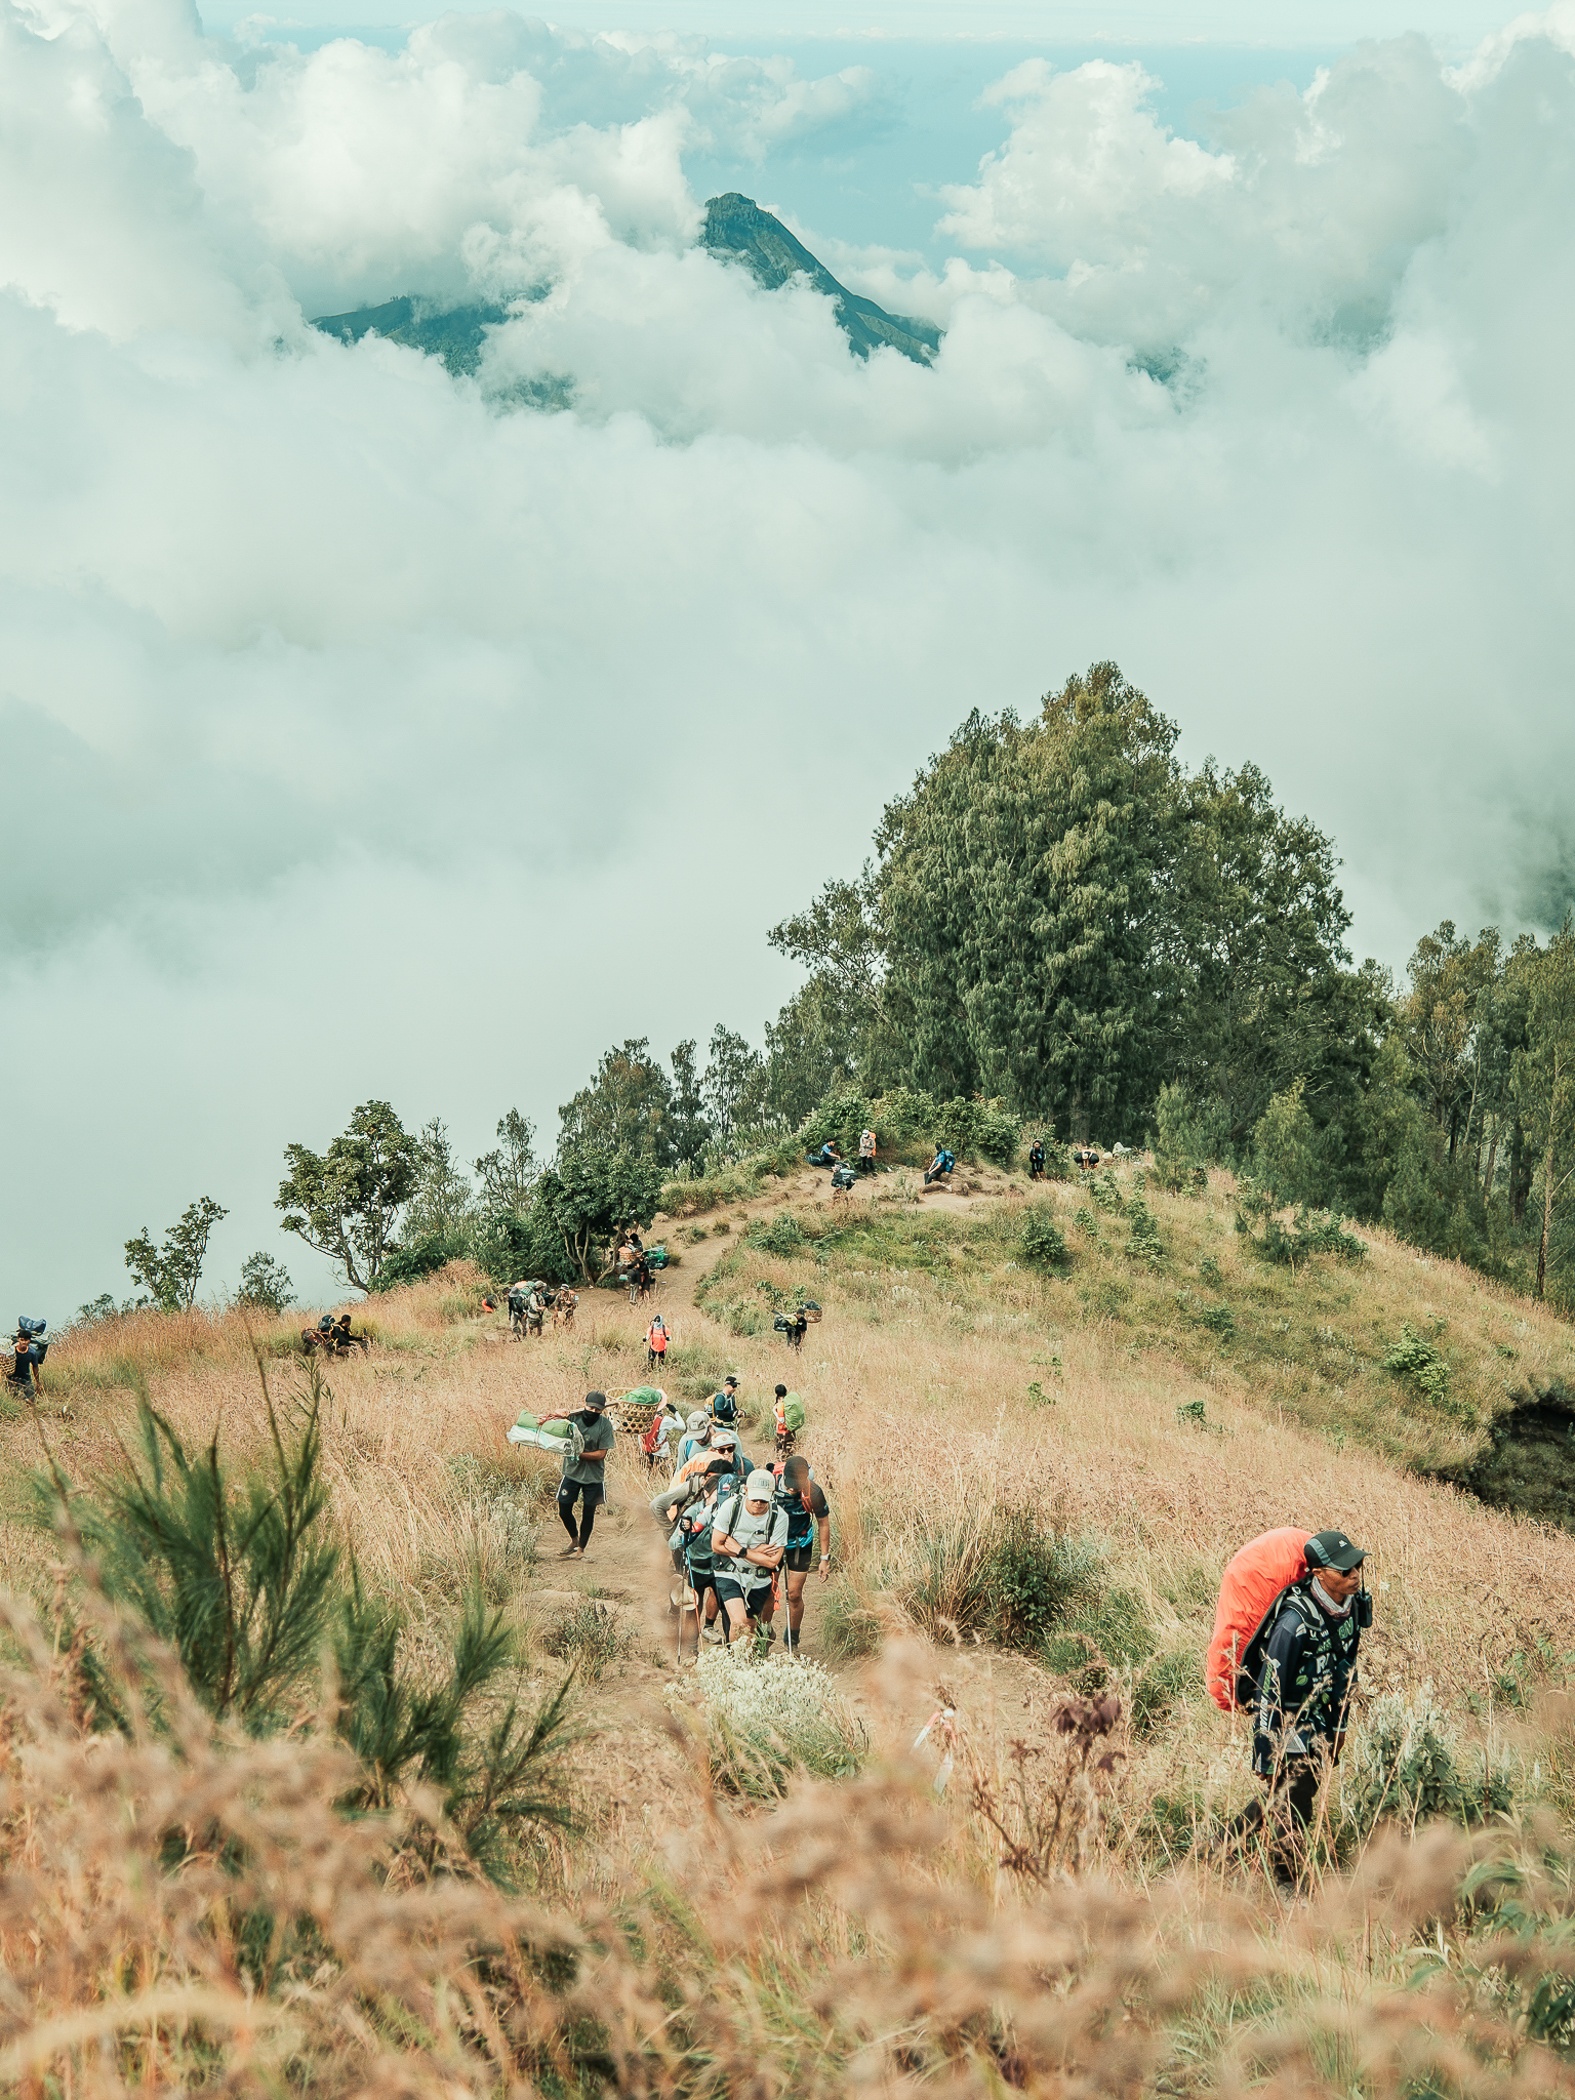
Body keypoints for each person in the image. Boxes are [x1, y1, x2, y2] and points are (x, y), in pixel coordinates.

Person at [1235, 1529, 1369, 1887]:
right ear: (1319, 1574)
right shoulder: (1293, 1625)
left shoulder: (1352, 1609)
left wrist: (1339, 1730)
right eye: (1345, 1571)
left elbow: (1346, 1670)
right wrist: (1266, 1756)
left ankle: (1224, 1846)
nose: (1355, 1575)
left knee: (1287, 1793)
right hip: (1288, 1722)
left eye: (1357, 1566)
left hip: (1322, 1719)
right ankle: (1287, 1884)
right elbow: (1269, 1693)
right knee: (1295, 1802)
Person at [711, 1469, 789, 1643]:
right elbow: (717, 1545)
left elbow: (773, 1561)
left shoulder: (779, 1517)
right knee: (739, 1624)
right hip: (729, 1571)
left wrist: (742, 1551)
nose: (759, 1504)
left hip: (759, 1577)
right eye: (755, 1498)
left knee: (751, 1626)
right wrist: (758, 1552)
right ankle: (735, 1662)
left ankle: (749, 1662)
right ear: (745, 1491)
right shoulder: (731, 1507)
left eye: (764, 1500)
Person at [764, 1455, 831, 1655]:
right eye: (791, 1485)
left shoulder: (814, 1492)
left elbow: (823, 1523)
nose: (793, 1489)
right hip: (773, 1543)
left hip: (800, 1543)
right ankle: (764, 1636)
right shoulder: (770, 1485)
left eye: (797, 1485)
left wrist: (824, 1559)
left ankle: (792, 1641)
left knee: (793, 1594)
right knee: (767, 1591)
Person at [541, 1391, 617, 1560]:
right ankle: (574, 1539)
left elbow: (600, 1454)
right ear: (585, 1405)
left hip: (594, 1477)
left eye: (598, 1410)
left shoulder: (604, 1425)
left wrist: (578, 1453)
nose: (593, 1412)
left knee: (588, 1513)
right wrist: (559, 1414)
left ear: (602, 1410)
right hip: (572, 1472)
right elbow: (552, 1424)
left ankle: (582, 1548)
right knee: (564, 1509)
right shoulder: (573, 1418)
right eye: (590, 1408)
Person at [7, 1319, 46, 1397]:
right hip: (11, 1379)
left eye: (26, 1340)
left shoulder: (32, 1353)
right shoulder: (12, 1351)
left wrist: (38, 1382)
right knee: (12, 1398)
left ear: (29, 1341)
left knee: (31, 1398)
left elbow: (35, 1367)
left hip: (25, 1378)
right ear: (18, 1339)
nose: (24, 1342)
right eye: (22, 1340)